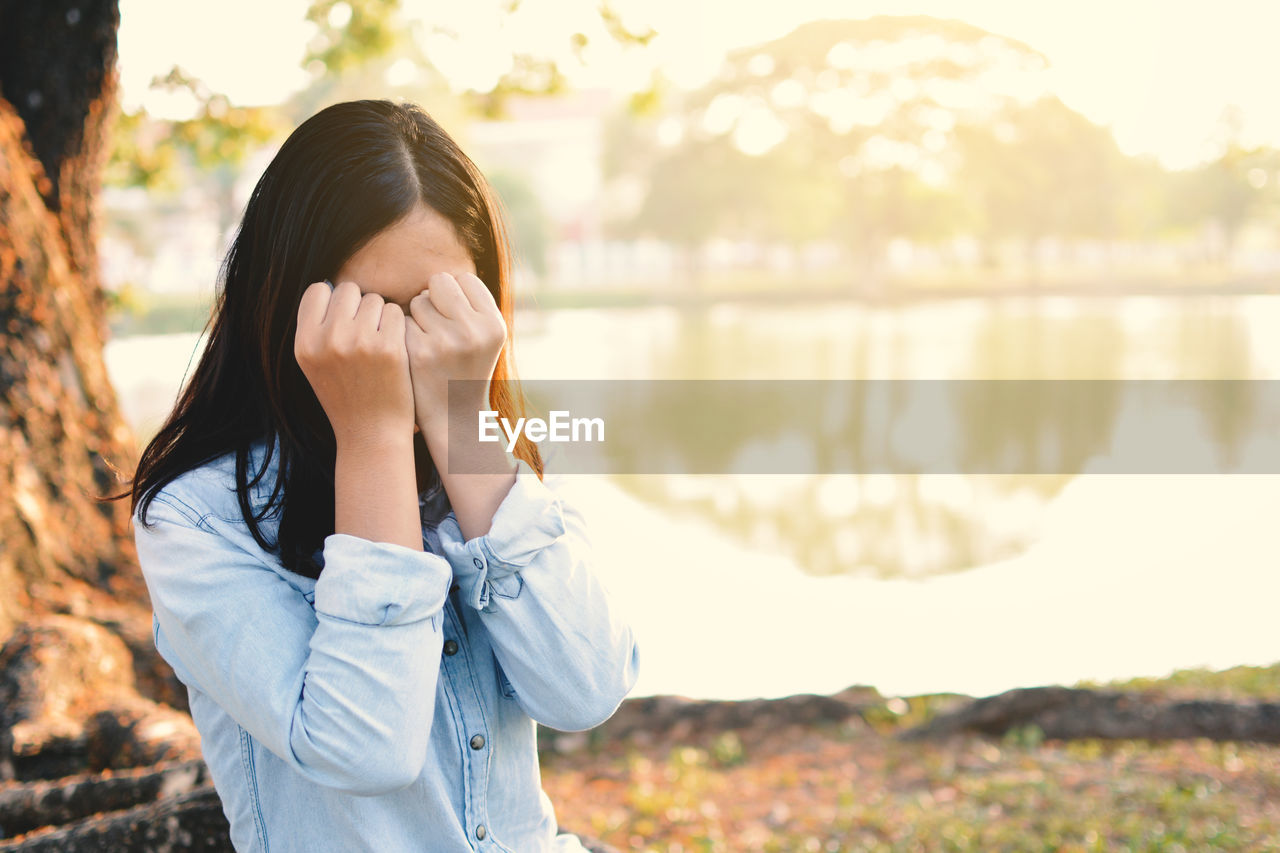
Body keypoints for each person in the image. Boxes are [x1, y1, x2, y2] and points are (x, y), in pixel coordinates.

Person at [117, 99, 640, 852]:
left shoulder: (485, 462)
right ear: (284, 297)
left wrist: (465, 428)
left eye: (441, 307)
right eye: (374, 311)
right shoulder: (196, 517)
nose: (407, 343)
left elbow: (584, 689)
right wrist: (372, 438)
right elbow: (366, 747)